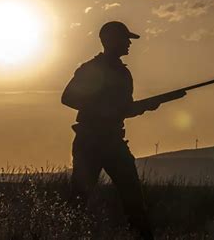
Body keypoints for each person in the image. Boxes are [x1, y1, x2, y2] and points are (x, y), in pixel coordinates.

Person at [61, 21, 185, 240]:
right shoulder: (91, 69)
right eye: (125, 39)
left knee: (134, 199)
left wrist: (146, 105)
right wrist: (105, 109)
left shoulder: (123, 73)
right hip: (90, 141)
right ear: (110, 40)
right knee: (79, 200)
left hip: (113, 141)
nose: (129, 43)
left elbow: (124, 110)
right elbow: (68, 98)